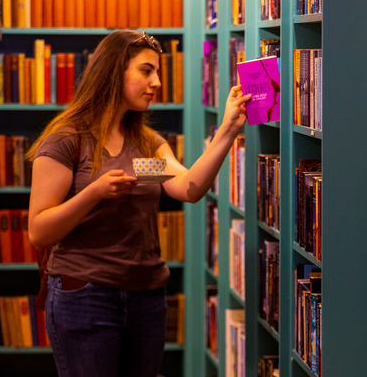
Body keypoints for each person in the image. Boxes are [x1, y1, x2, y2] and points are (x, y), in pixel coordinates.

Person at [26, 29, 251, 377]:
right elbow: (39, 232)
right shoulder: (67, 141)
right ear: (115, 72)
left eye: (157, 72)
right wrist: (94, 193)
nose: (157, 82)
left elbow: (189, 187)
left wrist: (228, 129)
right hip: (85, 295)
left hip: (147, 296)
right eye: (147, 71)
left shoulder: (147, 145)